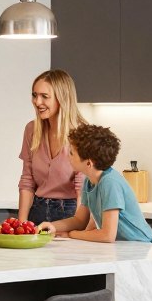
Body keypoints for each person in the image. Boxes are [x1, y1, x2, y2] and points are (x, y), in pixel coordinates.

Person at [39, 123, 152, 243]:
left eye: (71, 153)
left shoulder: (110, 183)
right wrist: (52, 226)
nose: (68, 156)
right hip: (124, 247)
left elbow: (107, 235)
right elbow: (80, 220)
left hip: (142, 247)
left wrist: (71, 234)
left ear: (89, 163)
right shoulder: (90, 181)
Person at [17, 69, 87, 225]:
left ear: (61, 98)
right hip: (37, 210)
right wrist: (21, 224)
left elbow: (82, 188)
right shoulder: (31, 130)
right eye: (35, 95)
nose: (37, 102)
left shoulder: (81, 133)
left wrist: (77, 226)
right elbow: (27, 180)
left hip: (69, 213)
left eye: (44, 96)